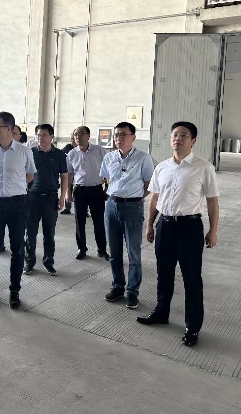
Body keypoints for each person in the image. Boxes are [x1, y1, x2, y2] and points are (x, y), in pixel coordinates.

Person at [137, 122, 219, 347]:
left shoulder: (204, 168)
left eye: (184, 135)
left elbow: (212, 201)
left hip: (189, 227)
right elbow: (155, 198)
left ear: (193, 141)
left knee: (191, 277)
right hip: (164, 225)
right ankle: (161, 312)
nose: (178, 139)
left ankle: (193, 326)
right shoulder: (162, 167)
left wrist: (213, 231)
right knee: (164, 273)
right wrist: (150, 225)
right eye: (175, 135)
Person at [0, 111, 36, 309]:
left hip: (17, 204)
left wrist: (14, 186)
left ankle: (15, 292)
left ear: (10, 129)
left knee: (18, 250)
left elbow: (30, 175)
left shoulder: (24, 151)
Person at [100, 122, 154, 310]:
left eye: (123, 134)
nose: (119, 138)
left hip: (132, 207)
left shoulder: (143, 158)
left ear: (133, 137)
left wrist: (135, 198)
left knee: (134, 253)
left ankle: (132, 292)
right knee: (114, 253)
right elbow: (108, 179)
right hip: (111, 206)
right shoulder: (109, 157)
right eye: (116, 135)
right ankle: (118, 287)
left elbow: (149, 184)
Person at [24, 124, 67, 276]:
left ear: (51, 137)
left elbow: (64, 177)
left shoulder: (60, 155)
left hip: (50, 198)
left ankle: (49, 262)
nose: (40, 138)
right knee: (30, 233)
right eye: (38, 135)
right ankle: (29, 262)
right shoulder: (30, 153)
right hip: (32, 198)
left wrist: (62, 197)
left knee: (49, 233)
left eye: (44, 135)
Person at [67, 126, 110, 261]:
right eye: (75, 135)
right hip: (79, 191)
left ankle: (102, 250)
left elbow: (108, 171)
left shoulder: (99, 151)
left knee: (99, 221)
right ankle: (82, 249)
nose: (78, 137)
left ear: (88, 135)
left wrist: (107, 188)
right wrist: (68, 193)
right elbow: (69, 175)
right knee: (79, 222)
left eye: (81, 134)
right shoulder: (72, 154)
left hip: (96, 190)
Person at [60, 130, 77, 215]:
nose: (72, 141)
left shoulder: (82, 148)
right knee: (68, 189)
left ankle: (84, 210)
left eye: (73, 139)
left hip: (78, 174)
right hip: (69, 172)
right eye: (71, 139)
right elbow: (60, 154)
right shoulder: (68, 147)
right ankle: (67, 207)